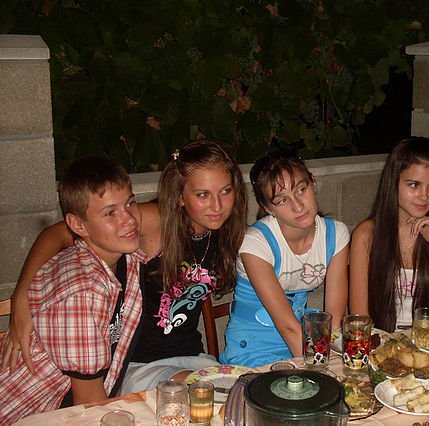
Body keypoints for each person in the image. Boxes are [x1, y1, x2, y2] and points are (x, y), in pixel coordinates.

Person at [2, 140, 248, 392]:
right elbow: (56, 234)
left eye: (225, 191)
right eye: (203, 195)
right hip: (135, 365)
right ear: (180, 196)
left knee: (240, 392)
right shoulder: (155, 221)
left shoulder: (227, 232)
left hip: (191, 358)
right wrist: (21, 297)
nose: (217, 205)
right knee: (204, 394)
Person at [0, 156, 145, 423]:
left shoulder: (125, 258)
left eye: (130, 203)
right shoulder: (82, 294)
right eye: (110, 213)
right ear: (78, 225)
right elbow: (90, 408)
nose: (129, 219)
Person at [220, 150, 349, 367]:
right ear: (268, 208)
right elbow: (287, 327)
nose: (297, 206)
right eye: (282, 200)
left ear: (313, 184)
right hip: (253, 346)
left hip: (303, 339)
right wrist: (321, 369)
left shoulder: (336, 235)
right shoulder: (256, 243)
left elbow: (334, 321)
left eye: (301, 190)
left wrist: (332, 362)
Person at [349, 137, 429, 333]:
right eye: (414, 185)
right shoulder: (367, 234)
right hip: (382, 341)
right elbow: (360, 317)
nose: (424, 196)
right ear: (393, 182)